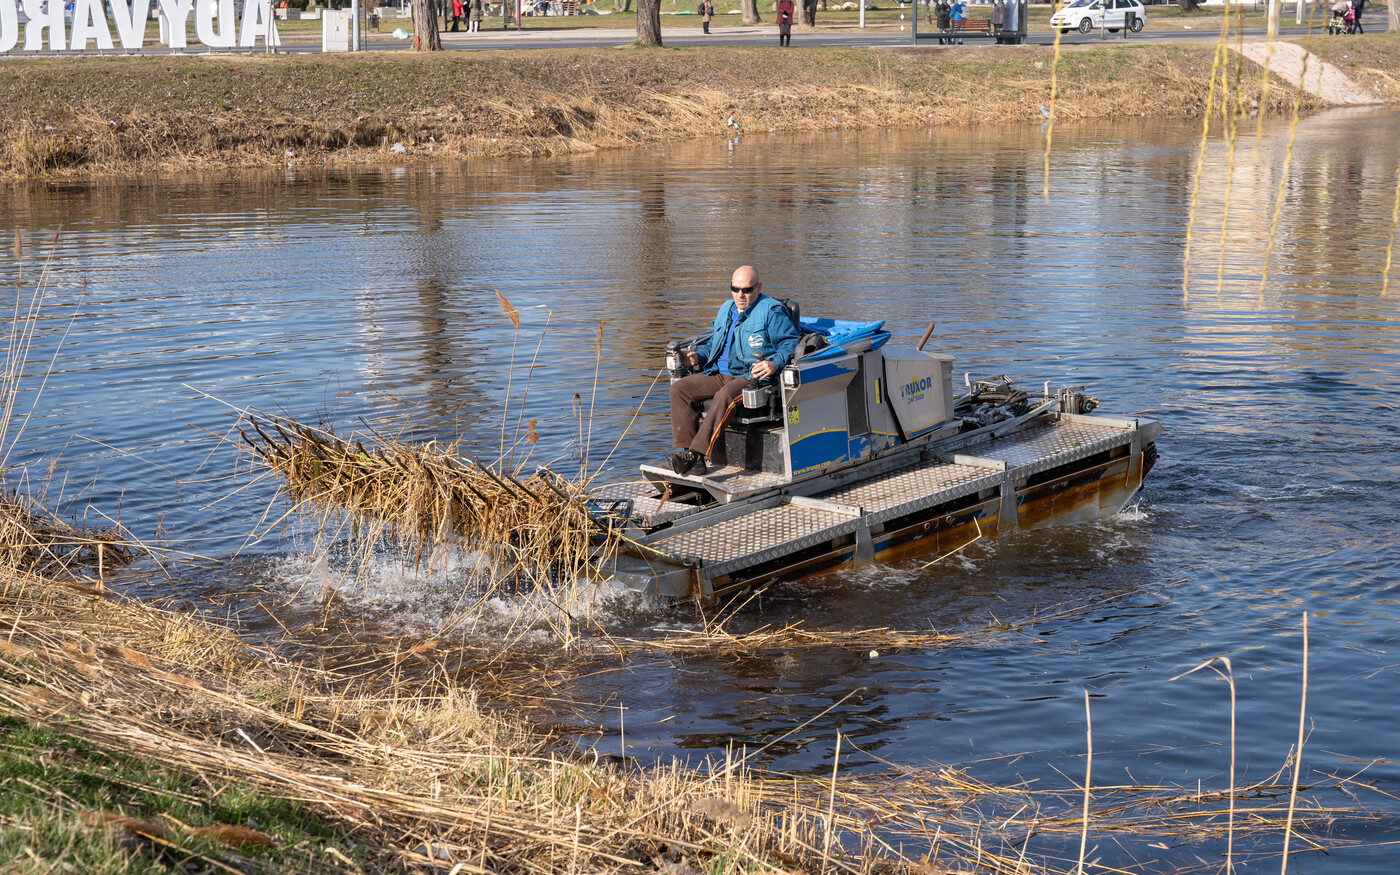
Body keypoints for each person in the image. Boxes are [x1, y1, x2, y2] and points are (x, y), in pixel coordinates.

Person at [662, 266, 800, 477]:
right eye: (735, 289)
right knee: (679, 389)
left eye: (746, 289)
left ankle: (694, 455)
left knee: (724, 395)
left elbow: (790, 343)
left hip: (750, 376)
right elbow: (715, 346)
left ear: (759, 287)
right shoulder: (726, 308)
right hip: (718, 373)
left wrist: (774, 363)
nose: (740, 295)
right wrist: (696, 357)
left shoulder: (772, 311)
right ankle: (691, 457)